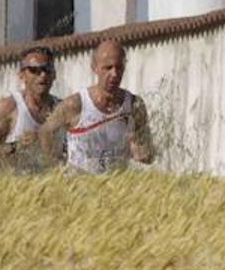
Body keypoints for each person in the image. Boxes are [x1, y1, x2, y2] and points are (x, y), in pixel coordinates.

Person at [39, 39, 154, 173]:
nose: (114, 74)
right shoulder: (75, 104)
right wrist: (58, 166)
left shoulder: (135, 106)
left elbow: (149, 154)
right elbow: (45, 132)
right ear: (95, 68)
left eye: (119, 67)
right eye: (108, 68)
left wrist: (140, 151)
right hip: (79, 188)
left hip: (116, 188)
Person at [0, 46, 60, 171]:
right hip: (15, 187)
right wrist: (15, 147)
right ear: (22, 75)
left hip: (51, 187)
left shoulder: (63, 109)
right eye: (34, 70)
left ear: (54, 75)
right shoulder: (9, 107)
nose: (42, 75)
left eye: (47, 69)